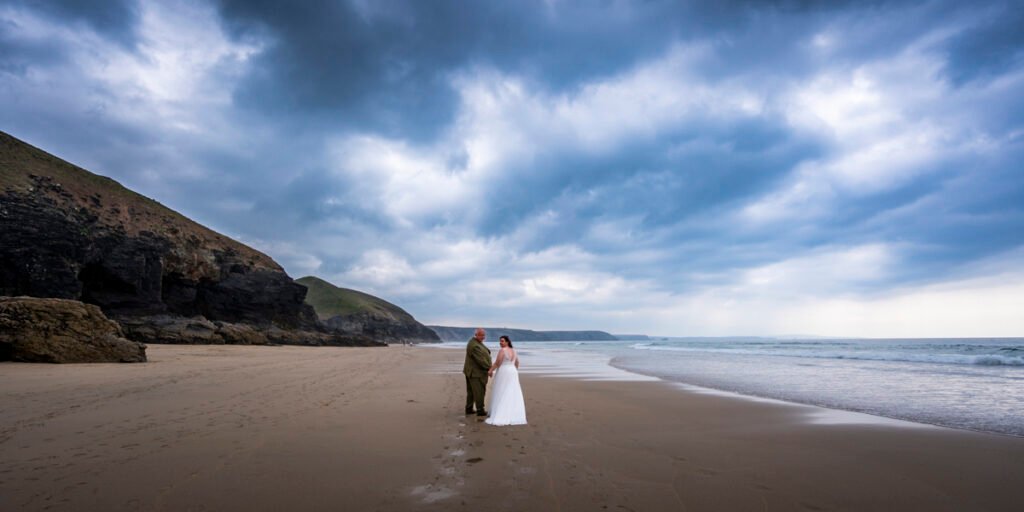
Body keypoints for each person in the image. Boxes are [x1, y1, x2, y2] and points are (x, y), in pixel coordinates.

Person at [485, 335, 527, 426]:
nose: (500, 342)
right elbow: (517, 362)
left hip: (504, 371)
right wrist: (514, 370)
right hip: (513, 371)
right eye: (500, 341)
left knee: (502, 390)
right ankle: (514, 413)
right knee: (513, 391)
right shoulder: (514, 351)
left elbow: (497, 363)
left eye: (502, 341)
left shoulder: (502, 350)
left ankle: (501, 412)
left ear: (507, 342)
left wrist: (490, 370)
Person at [463, 328, 492, 417]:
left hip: (472, 372)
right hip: (475, 373)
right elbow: (481, 361)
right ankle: (480, 410)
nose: (483, 337)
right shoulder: (474, 345)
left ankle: (469, 409)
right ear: (476, 335)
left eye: (484, 335)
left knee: (471, 392)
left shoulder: (475, 342)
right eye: (481, 335)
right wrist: (490, 368)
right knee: (479, 391)